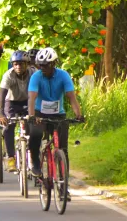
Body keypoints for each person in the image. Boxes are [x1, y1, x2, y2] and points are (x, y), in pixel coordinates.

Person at [28, 48, 83, 181]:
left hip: (58, 114)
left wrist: (78, 114)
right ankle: (35, 162)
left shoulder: (63, 75)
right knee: (35, 135)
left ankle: (64, 183)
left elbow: (71, 97)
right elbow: (32, 98)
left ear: (53, 64)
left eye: (46, 65)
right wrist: (31, 116)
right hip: (39, 112)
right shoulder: (36, 76)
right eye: (40, 65)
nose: (43, 68)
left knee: (63, 148)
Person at [0, 50, 34, 172]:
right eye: (15, 64)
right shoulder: (8, 75)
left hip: (28, 102)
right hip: (11, 102)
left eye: (21, 64)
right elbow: (2, 94)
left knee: (31, 125)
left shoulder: (34, 73)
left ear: (27, 64)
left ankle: (32, 154)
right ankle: (11, 157)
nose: (18, 66)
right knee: (8, 126)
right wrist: (1, 113)